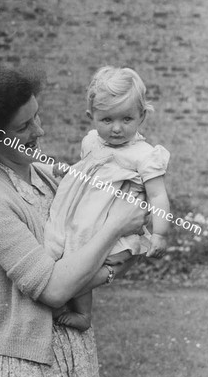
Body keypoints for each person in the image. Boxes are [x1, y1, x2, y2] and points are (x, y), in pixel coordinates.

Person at [0, 63, 148, 377]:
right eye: (24, 126)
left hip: (76, 349)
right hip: (29, 366)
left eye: (36, 116)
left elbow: (84, 244)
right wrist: (116, 231)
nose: (39, 131)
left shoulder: (44, 174)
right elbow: (54, 290)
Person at [44, 66, 170, 332]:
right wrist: (67, 172)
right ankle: (71, 306)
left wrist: (160, 233)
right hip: (82, 219)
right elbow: (87, 173)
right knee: (72, 257)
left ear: (142, 116)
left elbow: (158, 194)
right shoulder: (92, 142)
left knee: (86, 264)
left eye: (126, 119)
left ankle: (84, 314)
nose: (116, 129)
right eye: (106, 120)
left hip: (109, 224)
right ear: (92, 117)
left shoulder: (143, 155)